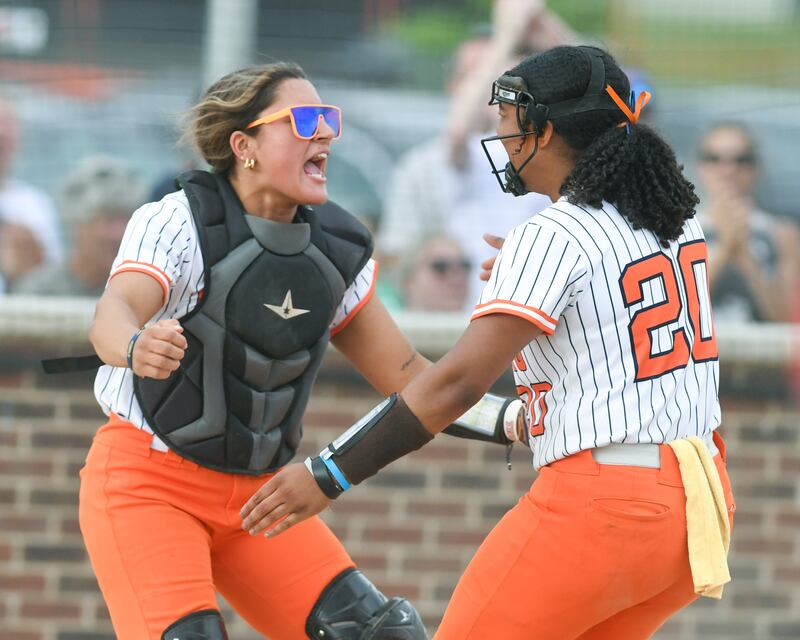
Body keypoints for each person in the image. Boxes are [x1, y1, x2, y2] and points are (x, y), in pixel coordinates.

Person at [240, 46, 737, 640]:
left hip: (606, 504)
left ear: (544, 129)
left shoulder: (555, 233)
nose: (499, 133)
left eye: (507, 118)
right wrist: (534, 271)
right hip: (698, 502)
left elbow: (454, 384)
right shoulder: (676, 216)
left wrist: (330, 474)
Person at [70, 61, 519, 640]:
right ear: (244, 145)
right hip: (148, 484)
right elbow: (113, 312)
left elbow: (412, 376)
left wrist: (512, 419)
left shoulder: (335, 246)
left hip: (262, 495)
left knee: (380, 634)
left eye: (329, 118)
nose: (326, 134)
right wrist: (134, 345)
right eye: (305, 120)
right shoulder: (180, 219)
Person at [378, 0, 562, 309]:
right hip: (463, 320)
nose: (492, 86)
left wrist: (540, 23)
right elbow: (458, 131)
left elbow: (595, 94)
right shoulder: (438, 159)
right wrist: (507, 33)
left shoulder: (541, 148)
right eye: (479, 74)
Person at [696, 121, 799, 322]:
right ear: (700, 167)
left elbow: (786, 320)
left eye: (741, 160)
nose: (728, 170)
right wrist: (726, 247)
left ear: (756, 168)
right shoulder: (677, 230)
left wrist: (747, 259)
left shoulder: (782, 233)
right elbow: (674, 311)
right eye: (714, 158)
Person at [15, 155, 146, 297]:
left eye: (127, 220)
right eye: (108, 220)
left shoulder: (141, 293)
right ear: (78, 224)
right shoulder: (38, 293)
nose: (119, 233)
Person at [0, 97, 62, 293]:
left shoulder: (35, 203)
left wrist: (30, 263)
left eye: (8, 123)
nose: (2, 132)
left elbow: (51, 275)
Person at [401, 235, 471, 311]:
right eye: (440, 267)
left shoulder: (479, 321)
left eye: (464, 267)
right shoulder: (391, 321)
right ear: (409, 281)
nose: (457, 279)